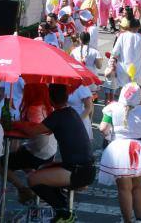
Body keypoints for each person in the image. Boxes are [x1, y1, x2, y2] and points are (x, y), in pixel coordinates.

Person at [14, 84, 96, 222]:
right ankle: (62, 210)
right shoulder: (71, 112)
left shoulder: (58, 115)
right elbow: (47, 130)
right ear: (66, 97)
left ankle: (63, 212)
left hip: (78, 171)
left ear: (49, 98)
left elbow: (32, 132)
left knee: (32, 179)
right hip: (85, 168)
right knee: (42, 169)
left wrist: (15, 124)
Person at [98, 83, 141, 223]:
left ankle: (127, 221)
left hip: (118, 149)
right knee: (137, 186)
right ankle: (139, 219)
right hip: (139, 150)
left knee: (124, 189)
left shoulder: (112, 108)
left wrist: (109, 137)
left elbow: (103, 128)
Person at [0, 83, 57, 205]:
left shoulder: (33, 109)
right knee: (19, 152)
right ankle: (36, 180)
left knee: (1, 163)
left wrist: (16, 124)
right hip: (49, 151)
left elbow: (32, 130)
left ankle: (23, 189)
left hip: (39, 153)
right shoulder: (47, 107)